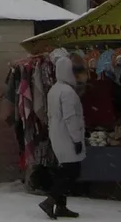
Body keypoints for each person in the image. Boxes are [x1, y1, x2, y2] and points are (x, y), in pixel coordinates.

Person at [41, 55, 86, 220]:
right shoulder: (68, 92)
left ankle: (61, 206)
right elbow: (70, 118)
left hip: (57, 135)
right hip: (67, 137)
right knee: (72, 171)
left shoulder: (54, 89)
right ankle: (50, 200)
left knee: (64, 171)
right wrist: (77, 140)